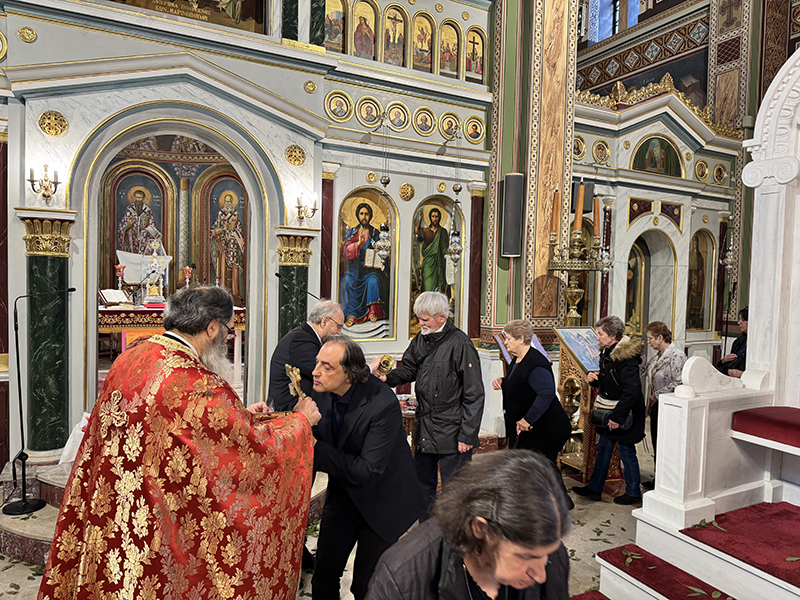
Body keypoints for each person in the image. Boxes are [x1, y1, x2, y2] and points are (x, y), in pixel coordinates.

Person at [38, 286, 321, 600]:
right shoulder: (195, 381)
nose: (226, 338)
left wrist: (242, 416)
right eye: (226, 330)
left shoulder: (132, 357)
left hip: (113, 504)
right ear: (211, 327)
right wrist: (300, 421)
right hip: (155, 517)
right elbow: (250, 450)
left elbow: (187, 428)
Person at [366, 450, 571, 599]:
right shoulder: (402, 577)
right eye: (525, 556)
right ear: (480, 528)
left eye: (544, 556)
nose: (541, 575)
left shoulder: (550, 552)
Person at [311, 335, 426, 600]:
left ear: (349, 375)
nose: (316, 371)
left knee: (366, 586)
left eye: (327, 366)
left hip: (382, 501)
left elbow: (367, 470)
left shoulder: (381, 402)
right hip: (344, 495)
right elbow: (322, 430)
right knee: (324, 576)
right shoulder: (322, 388)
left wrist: (316, 447)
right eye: (318, 362)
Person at [371, 291, 484, 510]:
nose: (420, 323)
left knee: (456, 492)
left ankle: (453, 531)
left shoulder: (461, 344)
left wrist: (468, 435)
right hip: (425, 427)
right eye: (419, 318)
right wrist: (388, 378)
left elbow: (474, 393)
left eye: (425, 319)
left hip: (452, 432)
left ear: (442, 317)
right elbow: (410, 368)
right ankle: (427, 528)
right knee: (422, 488)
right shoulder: (420, 339)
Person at [491, 319, 573, 509]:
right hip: (532, 429)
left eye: (508, 339)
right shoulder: (519, 359)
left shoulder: (536, 363)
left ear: (521, 339)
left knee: (542, 467)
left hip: (547, 429)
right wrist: (503, 381)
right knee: (536, 468)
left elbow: (546, 394)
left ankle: (556, 505)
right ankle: (546, 505)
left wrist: (527, 419)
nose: (505, 342)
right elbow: (522, 382)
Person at [573, 315, 646, 505]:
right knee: (604, 449)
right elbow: (612, 382)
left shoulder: (626, 356)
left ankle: (633, 492)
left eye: (601, 334)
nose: (597, 337)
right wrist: (595, 379)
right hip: (610, 409)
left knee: (626, 452)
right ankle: (595, 488)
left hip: (625, 412)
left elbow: (631, 390)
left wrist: (618, 418)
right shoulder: (607, 351)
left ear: (613, 336)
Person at [269, 299, 345, 410]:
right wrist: (367, 369)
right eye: (338, 327)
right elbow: (325, 373)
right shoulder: (301, 340)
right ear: (324, 321)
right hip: (290, 412)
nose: (339, 332)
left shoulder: (306, 336)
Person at [643, 321, 686, 489]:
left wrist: (658, 394)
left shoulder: (677, 356)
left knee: (667, 445)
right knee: (657, 442)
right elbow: (643, 372)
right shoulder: (656, 357)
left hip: (670, 407)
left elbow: (680, 382)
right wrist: (640, 355)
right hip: (657, 407)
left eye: (650, 338)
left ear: (660, 338)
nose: (648, 342)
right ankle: (658, 479)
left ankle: (668, 481)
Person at [339, 202, 389, 326]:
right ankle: (351, 314)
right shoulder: (352, 232)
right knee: (347, 281)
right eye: (362, 214)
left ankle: (373, 312)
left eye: (366, 214)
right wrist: (358, 244)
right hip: (354, 267)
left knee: (373, 281)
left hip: (370, 268)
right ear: (357, 215)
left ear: (370, 216)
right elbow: (345, 251)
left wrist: (378, 250)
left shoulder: (375, 233)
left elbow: (384, 249)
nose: (364, 217)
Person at [210, 191, 245, 297]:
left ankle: (235, 293)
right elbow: (213, 232)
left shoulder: (235, 216)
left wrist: (232, 232)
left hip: (233, 248)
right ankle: (223, 294)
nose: (227, 204)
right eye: (226, 202)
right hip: (223, 248)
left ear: (232, 203)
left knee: (234, 270)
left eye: (229, 202)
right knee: (223, 270)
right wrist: (222, 229)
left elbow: (240, 232)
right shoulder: (220, 216)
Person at [415, 207, 449, 295]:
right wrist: (420, 218)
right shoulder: (425, 230)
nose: (435, 219)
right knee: (428, 285)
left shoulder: (443, 232)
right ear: (430, 217)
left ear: (439, 218)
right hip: (428, 263)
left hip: (439, 263)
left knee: (439, 287)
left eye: (437, 216)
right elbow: (417, 231)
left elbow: (445, 247)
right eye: (433, 216)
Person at [716, 307, 748, 378]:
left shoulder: (758, 345)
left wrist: (742, 374)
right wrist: (724, 360)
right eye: (739, 319)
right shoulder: (738, 341)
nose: (739, 323)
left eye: (743, 320)